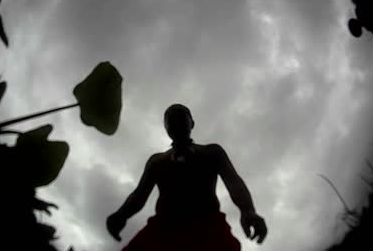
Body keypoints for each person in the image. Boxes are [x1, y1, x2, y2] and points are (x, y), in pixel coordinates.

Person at [106, 104, 267, 250]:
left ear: (192, 123)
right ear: (166, 128)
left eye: (180, 116)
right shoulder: (157, 161)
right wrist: (121, 214)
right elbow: (139, 195)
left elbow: (234, 182)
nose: (174, 121)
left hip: (208, 226)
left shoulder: (211, 152)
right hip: (164, 228)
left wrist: (248, 210)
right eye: (169, 119)